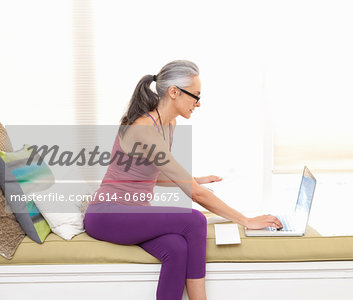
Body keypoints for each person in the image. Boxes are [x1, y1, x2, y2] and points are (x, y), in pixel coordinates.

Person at [83, 60, 283, 300]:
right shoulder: (145, 129)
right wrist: (246, 220)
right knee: (195, 220)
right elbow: (195, 195)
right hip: (106, 215)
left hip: (129, 214)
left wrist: (193, 179)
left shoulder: (169, 124)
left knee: (176, 249)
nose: (198, 103)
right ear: (174, 92)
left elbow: (148, 176)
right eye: (195, 96)